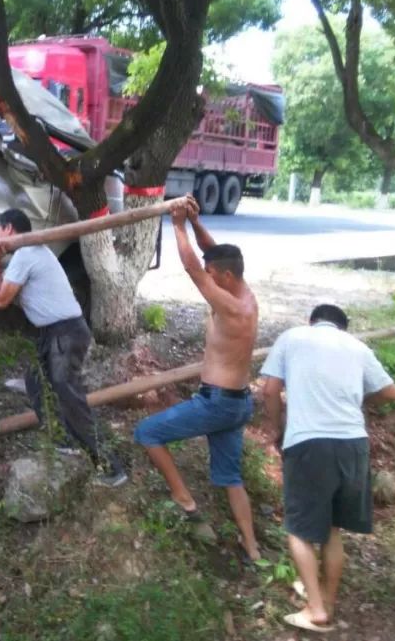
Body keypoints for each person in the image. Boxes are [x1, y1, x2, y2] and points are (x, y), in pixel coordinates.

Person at [133, 195, 261, 562]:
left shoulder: (231, 307)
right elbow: (211, 253)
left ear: (227, 276)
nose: (211, 277)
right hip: (238, 404)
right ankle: (251, 547)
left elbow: (193, 266)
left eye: (215, 275)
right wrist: (194, 221)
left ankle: (183, 498)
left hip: (218, 403)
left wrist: (175, 224)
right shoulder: (244, 293)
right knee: (229, 476)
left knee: (147, 433)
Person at [261, 304, 395, 633]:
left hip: (310, 443)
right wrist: (360, 402)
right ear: (342, 327)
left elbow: (269, 389)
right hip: (353, 444)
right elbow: (391, 393)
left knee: (298, 530)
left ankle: (316, 610)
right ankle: (327, 599)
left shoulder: (293, 337)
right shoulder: (357, 346)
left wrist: (275, 428)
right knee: (332, 529)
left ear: (312, 322)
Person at [0, 208, 128, 487]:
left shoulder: (26, 254)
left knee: (70, 396)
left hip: (65, 333)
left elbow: (0, 300)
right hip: (54, 332)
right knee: (35, 380)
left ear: (8, 229)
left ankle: (111, 466)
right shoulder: (32, 254)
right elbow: (2, 288)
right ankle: (62, 439)